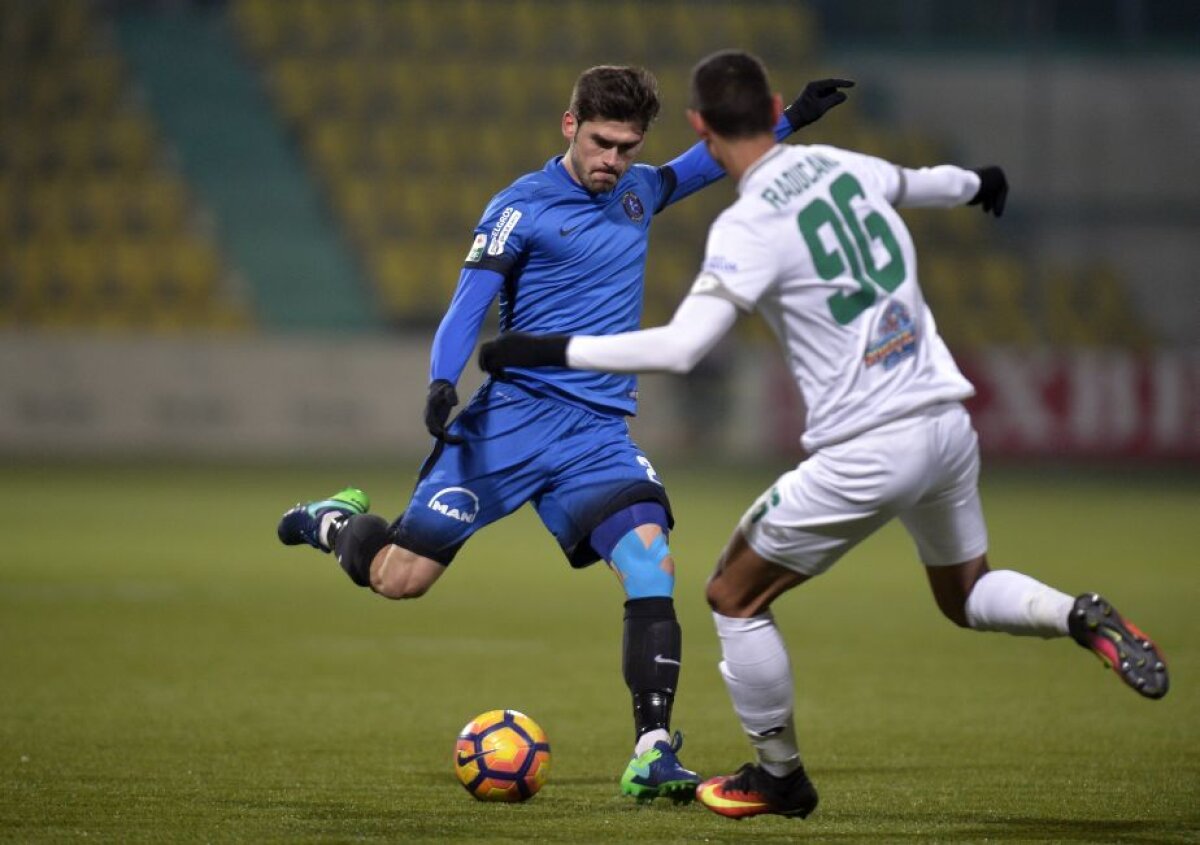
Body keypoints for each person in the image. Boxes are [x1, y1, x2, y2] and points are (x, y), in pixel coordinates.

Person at [477, 50, 1170, 820]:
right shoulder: (844, 166)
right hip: (946, 423)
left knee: (731, 597)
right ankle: (1077, 612)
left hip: (869, 446)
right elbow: (925, 182)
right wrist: (981, 182)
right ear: (773, 103)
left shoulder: (749, 226)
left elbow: (680, 347)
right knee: (968, 591)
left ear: (700, 127)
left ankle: (779, 775)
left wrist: (543, 348)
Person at [276, 64, 853, 803]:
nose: (614, 162)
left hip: (595, 434)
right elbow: (466, 305)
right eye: (603, 143)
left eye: (629, 147)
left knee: (652, 565)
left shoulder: (641, 189)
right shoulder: (519, 208)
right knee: (401, 579)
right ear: (569, 125)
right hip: (510, 423)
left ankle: (651, 750)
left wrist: (791, 118)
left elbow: (707, 163)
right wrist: (443, 380)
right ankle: (335, 523)